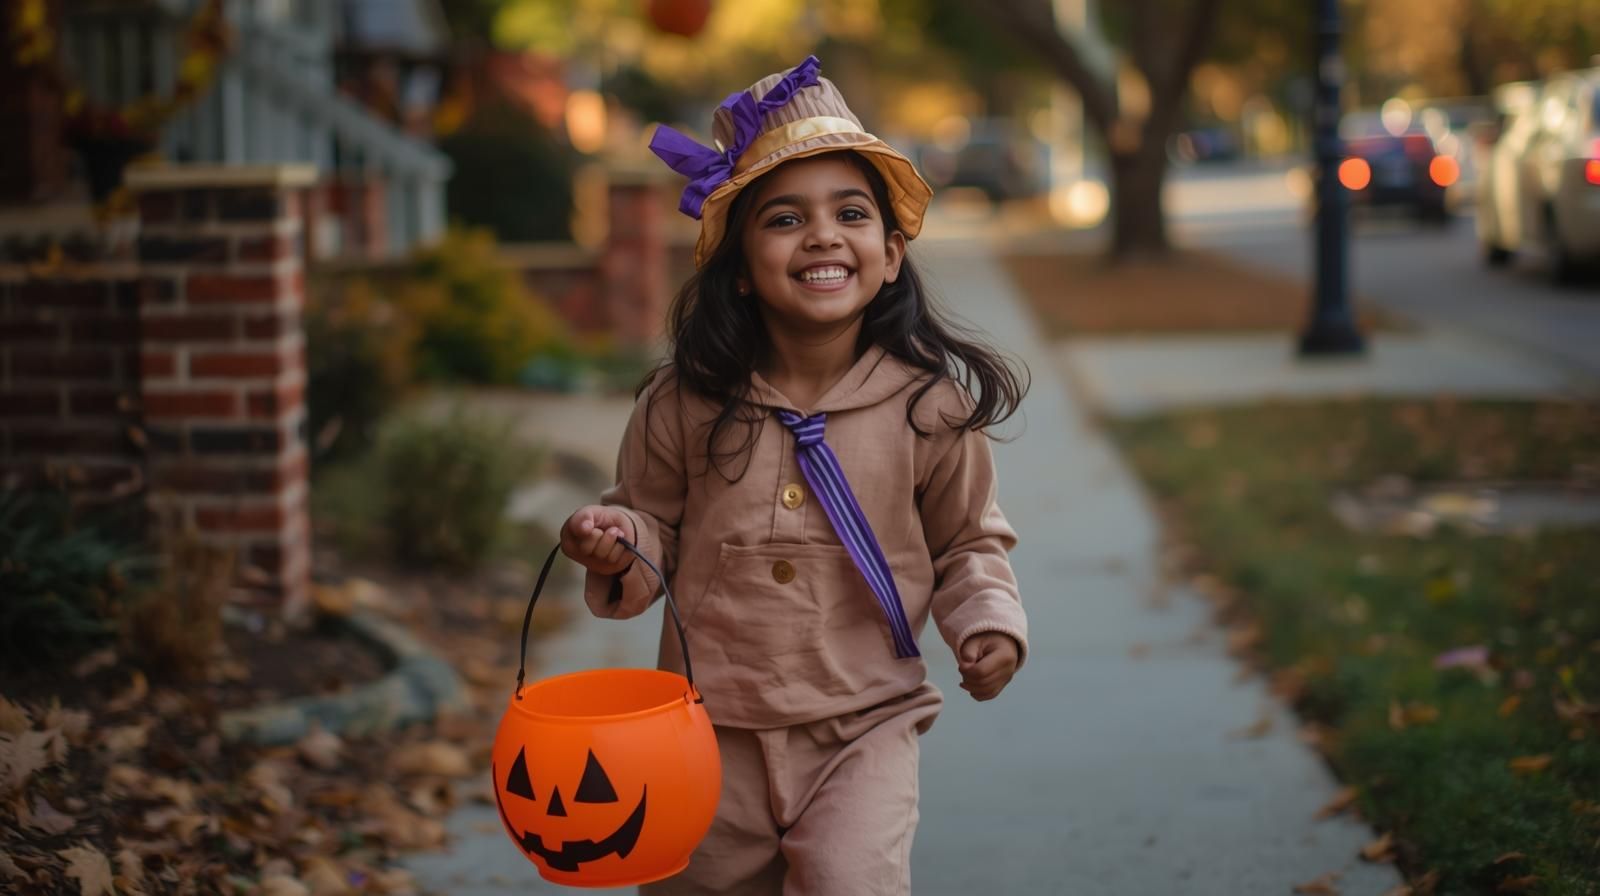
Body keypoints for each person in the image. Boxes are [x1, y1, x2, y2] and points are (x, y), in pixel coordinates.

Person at [558, 56, 1029, 896]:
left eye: (850, 213)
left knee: (851, 881)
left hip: (863, 723)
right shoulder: (684, 401)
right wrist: (614, 542)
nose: (821, 235)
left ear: (889, 255)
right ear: (741, 266)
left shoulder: (929, 408)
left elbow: (969, 543)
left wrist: (986, 621)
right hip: (705, 730)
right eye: (784, 219)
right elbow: (649, 523)